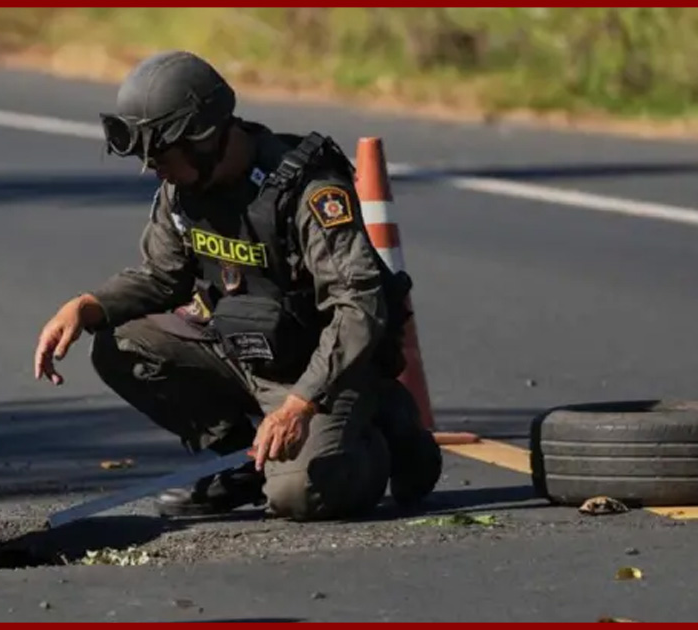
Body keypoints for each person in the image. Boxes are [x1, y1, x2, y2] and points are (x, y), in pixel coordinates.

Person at [33, 50, 442, 521]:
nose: (153, 169)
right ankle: (245, 463)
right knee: (118, 346)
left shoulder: (307, 189)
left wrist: (299, 405)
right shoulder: (181, 187)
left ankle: (387, 431)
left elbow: (358, 309)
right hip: (244, 351)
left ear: (205, 139)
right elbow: (161, 277)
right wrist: (85, 307)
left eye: (161, 155)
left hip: (322, 373)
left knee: (300, 497)